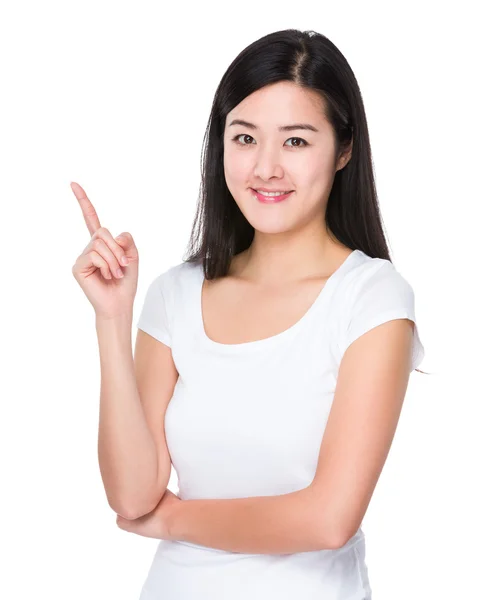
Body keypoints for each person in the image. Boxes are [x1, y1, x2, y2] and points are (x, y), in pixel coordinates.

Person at [72, 28, 426, 600]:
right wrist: (113, 320)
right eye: (244, 138)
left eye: (295, 142)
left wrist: (172, 521)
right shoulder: (175, 294)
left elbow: (328, 520)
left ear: (343, 149)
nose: (265, 168)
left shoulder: (370, 298)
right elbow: (133, 496)